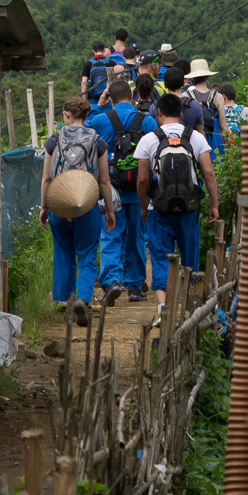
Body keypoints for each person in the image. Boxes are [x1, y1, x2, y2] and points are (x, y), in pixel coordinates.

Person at [135, 93, 219, 311]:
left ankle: (163, 306)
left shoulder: (149, 139)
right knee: (189, 255)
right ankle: (188, 306)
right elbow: (208, 174)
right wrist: (214, 205)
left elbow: (142, 179)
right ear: (182, 114)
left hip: (158, 208)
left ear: (159, 113)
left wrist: (144, 207)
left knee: (160, 256)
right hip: (188, 208)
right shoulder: (196, 138)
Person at [39, 96, 115, 326]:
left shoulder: (54, 140)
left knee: (63, 253)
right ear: (85, 115)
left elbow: (46, 178)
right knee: (88, 255)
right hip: (87, 203)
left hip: (60, 203)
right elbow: (104, 181)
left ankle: (65, 301)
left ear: (67, 114)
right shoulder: (97, 141)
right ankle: (83, 298)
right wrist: (110, 210)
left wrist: (44, 206)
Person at [90, 79, 158, 303]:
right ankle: (135, 287)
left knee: (111, 234)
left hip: (111, 189)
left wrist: (99, 105)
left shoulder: (101, 120)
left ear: (110, 98)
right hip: (139, 189)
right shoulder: (146, 121)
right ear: (132, 95)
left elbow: (84, 125)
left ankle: (112, 281)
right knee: (137, 237)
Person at [185, 58, 229, 150]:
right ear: (207, 77)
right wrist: (229, 146)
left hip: (193, 138)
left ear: (192, 78)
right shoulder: (218, 97)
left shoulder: (185, 96)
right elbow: (223, 126)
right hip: (214, 139)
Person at [150, 67, 203, 135]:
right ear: (183, 83)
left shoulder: (155, 106)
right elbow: (201, 133)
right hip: (188, 144)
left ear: (165, 84)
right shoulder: (194, 105)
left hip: (163, 144)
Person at [81, 40, 118, 109]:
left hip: (93, 99)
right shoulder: (111, 63)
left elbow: (84, 82)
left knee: (93, 116)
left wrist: (84, 99)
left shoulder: (88, 64)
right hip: (108, 99)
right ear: (104, 50)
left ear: (93, 51)